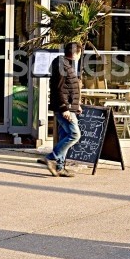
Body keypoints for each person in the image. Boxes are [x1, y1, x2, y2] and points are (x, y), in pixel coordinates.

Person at [44, 42, 83, 178]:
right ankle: (51, 157)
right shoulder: (62, 65)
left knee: (64, 135)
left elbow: (69, 88)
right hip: (64, 108)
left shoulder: (66, 64)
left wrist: (76, 105)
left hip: (70, 107)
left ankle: (60, 167)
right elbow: (58, 88)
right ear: (77, 53)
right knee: (74, 135)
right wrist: (64, 108)